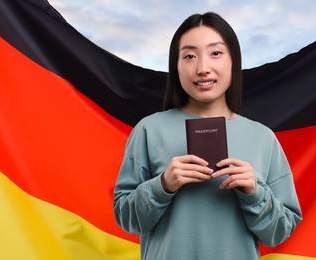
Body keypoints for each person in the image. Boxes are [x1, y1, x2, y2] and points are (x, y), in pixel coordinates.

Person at [113, 12, 302, 260]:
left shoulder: (262, 138)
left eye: (215, 53)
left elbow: (279, 232)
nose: (203, 68)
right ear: (176, 65)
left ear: (233, 60)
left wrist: (254, 192)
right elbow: (127, 220)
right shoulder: (149, 130)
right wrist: (163, 185)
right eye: (190, 56)